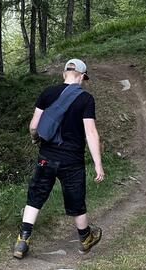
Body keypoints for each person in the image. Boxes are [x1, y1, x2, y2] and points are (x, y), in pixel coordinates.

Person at [13, 58, 104, 259]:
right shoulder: (86, 99)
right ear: (80, 76)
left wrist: (35, 139)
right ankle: (85, 238)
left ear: (64, 74)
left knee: (36, 196)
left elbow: (33, 126)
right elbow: (91, 133)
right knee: (76, 199)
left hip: (46, 157)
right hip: (72, 160)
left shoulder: (47, 93)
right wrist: (98, 164)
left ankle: (22, 240)